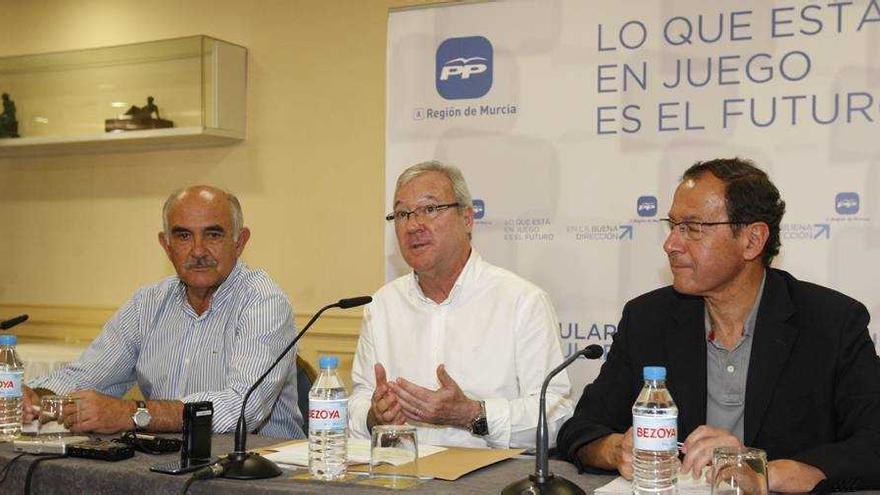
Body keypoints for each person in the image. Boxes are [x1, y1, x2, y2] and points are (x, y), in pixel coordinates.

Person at [557, 158, 880, 492]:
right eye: (672, 226)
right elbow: (580, 429)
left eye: (693, 228)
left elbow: (874, 442)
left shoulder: (831, 322)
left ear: (752, 240)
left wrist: (763, 471)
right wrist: (615, 450)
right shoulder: (648, 318)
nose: (671, 244)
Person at [23, 186, 304, 438]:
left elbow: (243, 407)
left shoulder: (263, 301)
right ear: (166, 246)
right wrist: (32, 397)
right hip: (164, 465)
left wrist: (133, 414)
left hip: (258, 471)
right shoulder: (148, 303)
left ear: (239, 242)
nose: (198, 250)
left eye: (213, 234)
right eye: (183, 236)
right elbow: (85, 377)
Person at [349, 161, 573, 449]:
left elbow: (556, 416)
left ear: (467, 219)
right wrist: (373, 416)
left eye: (429, 209)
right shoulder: (381, 305)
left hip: (489, 482)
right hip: (400, 476)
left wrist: (472, 414)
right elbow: (358, 400)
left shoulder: (522, 302)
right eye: (403, 214)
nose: (414, 225)